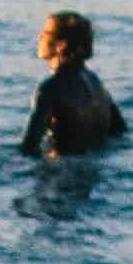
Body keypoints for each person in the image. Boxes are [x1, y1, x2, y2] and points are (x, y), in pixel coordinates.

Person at [19, 10, 127, 156]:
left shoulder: (50, 88)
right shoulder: (95, 81)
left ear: (61, 45)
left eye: (45, 33)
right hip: (94, 170)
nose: (40, 37)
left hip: (64, 172)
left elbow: (29, 148)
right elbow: (119, 131)